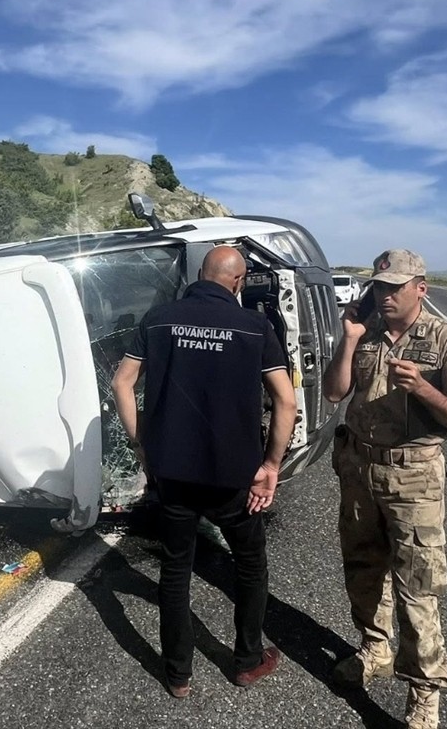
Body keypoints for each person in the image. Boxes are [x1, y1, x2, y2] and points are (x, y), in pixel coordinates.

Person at [111, 245, 297, 699]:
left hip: (173, 473)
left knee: (176, 568)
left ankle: (178, 674)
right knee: (249, 564)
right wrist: (271, 465)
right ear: (238, 282)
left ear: (199, 275)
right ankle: (247, 661)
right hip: (233, 477)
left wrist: (141, 446)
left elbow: (121, 382)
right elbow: (286, 401)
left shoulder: (159, 318)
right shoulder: (255, 327)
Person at [323, 249, 447, 729]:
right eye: (379, 286)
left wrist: (425, 390)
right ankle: (375, 648)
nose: (385, 295)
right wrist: (349, 339)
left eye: (395, 287)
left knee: (418, 589)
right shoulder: (365, 332)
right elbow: (333, 392)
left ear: (420, 289)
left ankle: (424, 693)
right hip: (359, 470)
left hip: (413, 476)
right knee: (363, 568)